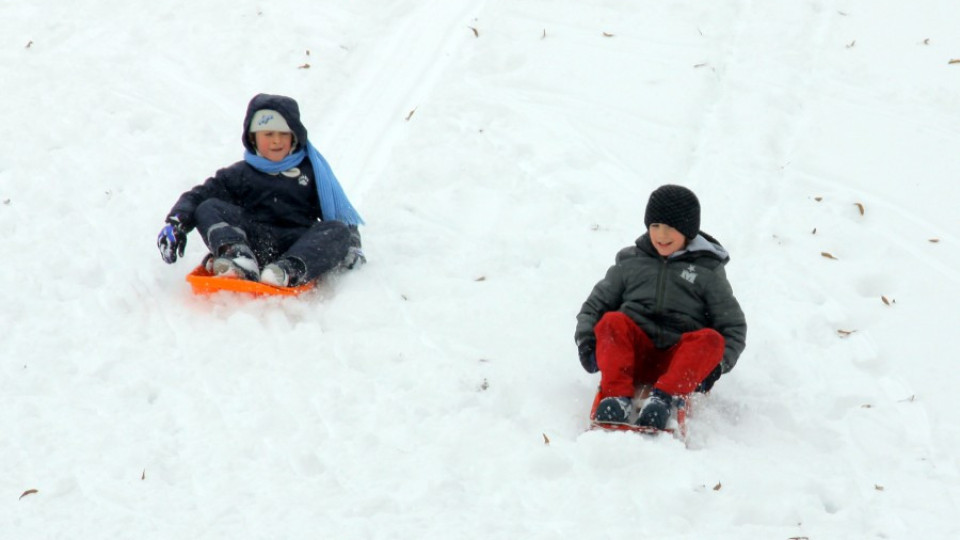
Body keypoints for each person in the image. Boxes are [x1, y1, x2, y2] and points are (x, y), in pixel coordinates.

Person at [575, 184, 746, 429]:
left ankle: (665, 398)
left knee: (710, 339)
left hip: (678, 362)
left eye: (670, 228)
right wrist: (586, 342)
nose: (661, 236)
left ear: (687, 231)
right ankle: (616, 396)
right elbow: (594, 307)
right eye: (655, 226)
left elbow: (733, 326)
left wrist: (715, 369)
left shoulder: (707, 270)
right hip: (632, 355)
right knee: (612, 321)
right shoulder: (631, 262)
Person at [156, 93, 365, 286]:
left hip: (297, 244)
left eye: (283, 134)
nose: (276, 140)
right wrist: (176, 223)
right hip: (253, 241)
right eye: (268, 133)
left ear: (294, 137)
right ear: (253, 137)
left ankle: (288, 270)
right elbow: (199, 195)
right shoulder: (240, 173)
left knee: (337, 229)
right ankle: (237, 258)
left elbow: (342, 216)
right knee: (208, 207)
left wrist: (352, 243)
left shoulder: (311, 173)